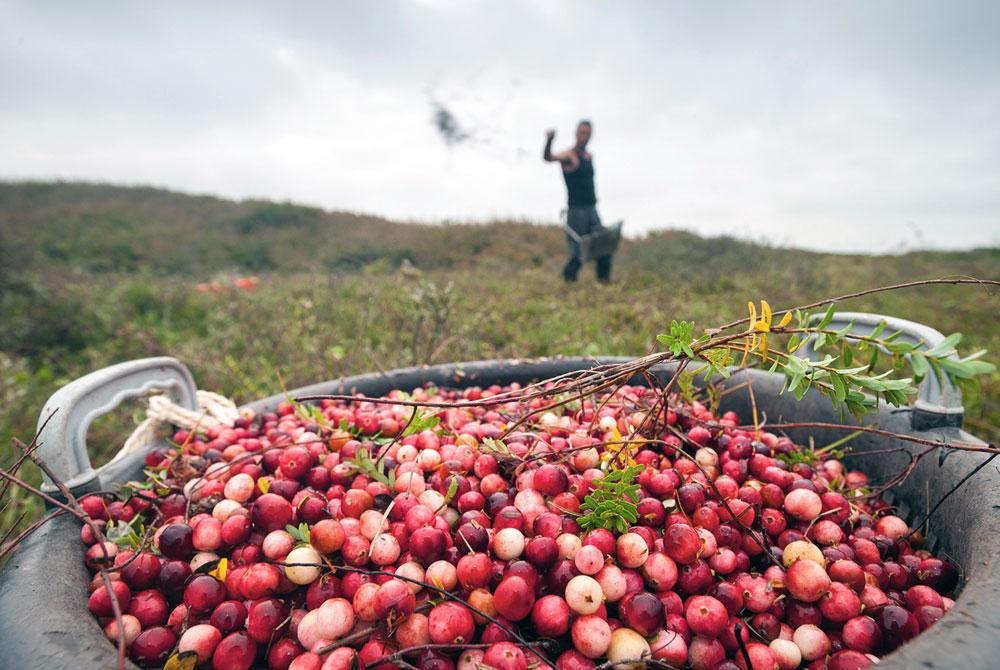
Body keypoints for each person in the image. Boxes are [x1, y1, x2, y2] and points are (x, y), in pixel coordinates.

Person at [544, 119, 611, 283]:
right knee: (579, 251)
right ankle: (569, 282)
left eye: (587, 134)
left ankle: (604, 284)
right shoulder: (569, 156)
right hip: (576, 211)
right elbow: (548, 157)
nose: (584, 137)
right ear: (576, 133)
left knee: (604, 246)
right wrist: (549, 141)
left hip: (591, 209)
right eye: (582, 133)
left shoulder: (588, 157)